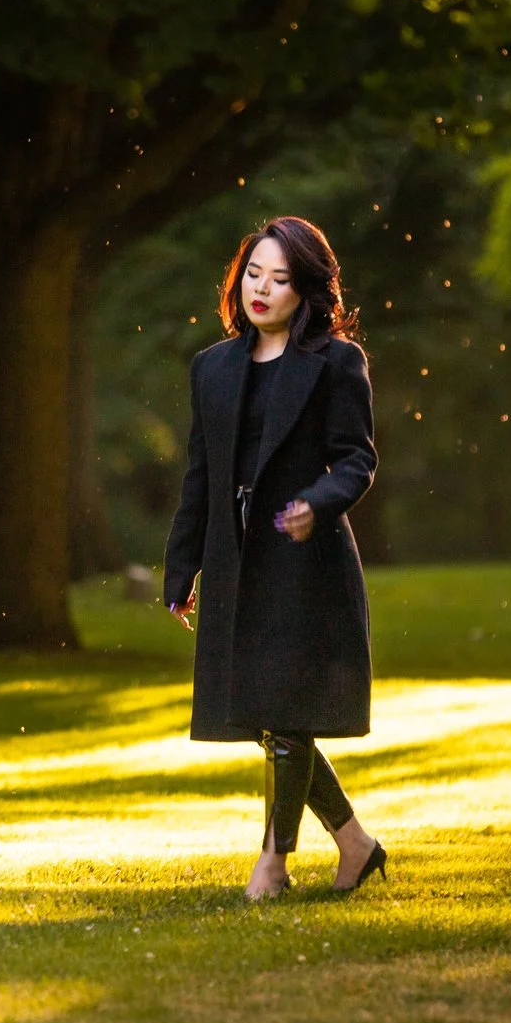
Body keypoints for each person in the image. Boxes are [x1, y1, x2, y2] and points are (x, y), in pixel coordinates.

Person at [162, 216, 386, 901]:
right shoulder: (213, 367)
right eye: (253, 273)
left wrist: (317, 503)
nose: (262, 289)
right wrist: (182, 568)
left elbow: (357, 459)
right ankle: (356, 844)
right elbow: (200, 474)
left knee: (286, 710)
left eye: (280, 279)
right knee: (264, 713)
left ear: (307, 291)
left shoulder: (335, 363)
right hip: (236, 560)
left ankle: (274, 862)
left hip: (302, 559)